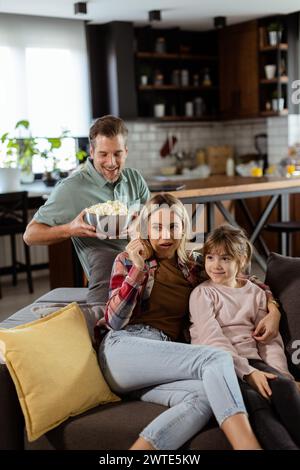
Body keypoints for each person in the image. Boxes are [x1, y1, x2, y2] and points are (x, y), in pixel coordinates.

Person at [98, 193, 280, 450]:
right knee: (216, 358)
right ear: (146, 229)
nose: (166, 235)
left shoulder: (194, 265)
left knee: (204, 397)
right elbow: (114, 321)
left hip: (163, 362)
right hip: (124, 350)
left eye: (174, 226)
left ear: (185, 229)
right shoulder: (128, 260)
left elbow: (244, 278)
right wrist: (138, 269)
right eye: (158, 227)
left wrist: (274, 310)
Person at [189, 223, 300, 450]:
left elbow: (268, 341)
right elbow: (213, 340)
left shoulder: (256, 293)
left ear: (241, 260)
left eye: (225, 259)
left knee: (284, 388)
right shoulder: (203, 293)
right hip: (220, 365)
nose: (215, 265)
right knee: (257, 403)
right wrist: (249, 374)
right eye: (210, 258)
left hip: (253, 361)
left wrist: (281, 373)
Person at [23, 115, 150, 300]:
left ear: (126, 151)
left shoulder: (135, 179)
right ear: (91, 152)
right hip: (109, 272)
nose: (112, 162)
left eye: (117, 153)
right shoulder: (71, 188)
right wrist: (70, 229)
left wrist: (141, 223)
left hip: (143, 263)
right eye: (103, 154)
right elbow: (30, 235)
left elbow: (151, 218)